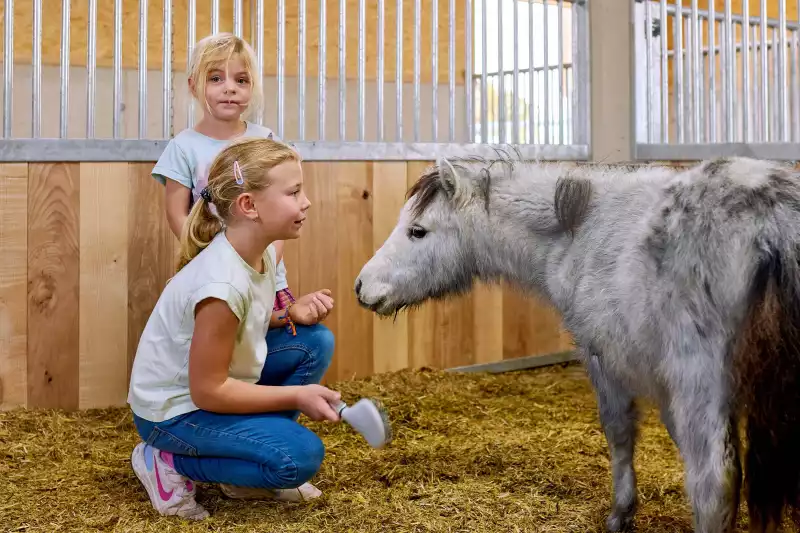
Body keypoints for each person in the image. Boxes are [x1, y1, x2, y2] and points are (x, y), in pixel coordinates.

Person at [128, 138, 341, 520]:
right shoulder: (221, 286)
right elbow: (208, 391)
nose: (306, 202)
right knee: (297, 458)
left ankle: (247, 465)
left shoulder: (260, 255)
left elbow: (246, 323)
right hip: (174, 413)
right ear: (248, 206)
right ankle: (167, 462)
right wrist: (297, 396)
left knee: (314, 342)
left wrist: (290, 313)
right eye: (294, 192)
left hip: (211, 389)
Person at [151, 32, 335, 402]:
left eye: (241, 80)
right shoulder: (183, 146)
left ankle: (266, 416)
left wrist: (262, 262)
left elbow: (282, 214)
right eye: (215, 78)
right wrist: (212, 261)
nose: (229, 89)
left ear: (253, 88)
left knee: (266, 346)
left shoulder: (266, 139)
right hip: (211, 272)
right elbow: (177, 212)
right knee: (220, 351)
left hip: (265, 275)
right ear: (193, 85)